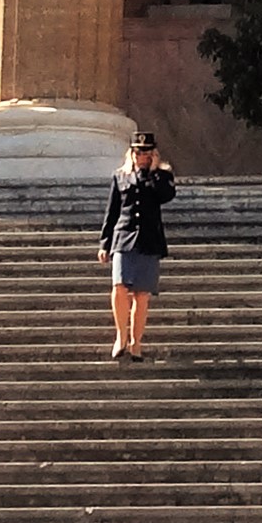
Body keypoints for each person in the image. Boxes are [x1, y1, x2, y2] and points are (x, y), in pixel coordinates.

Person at [101, 137, 177, 359]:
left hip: (148, 239)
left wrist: (153, 172)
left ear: (153, 155)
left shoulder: (162, 176)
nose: (141, 157)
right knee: (119, 286)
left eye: (146, 153)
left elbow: (166, 196)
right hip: (123, 237)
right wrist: (105, 243)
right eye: (137, 153)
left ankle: (136, 342)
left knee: (141, 294)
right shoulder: (121, 176)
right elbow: (112, 211)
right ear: (131, 154)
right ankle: (121, 336)